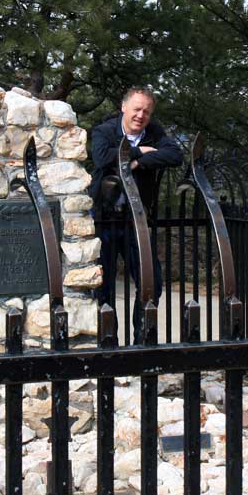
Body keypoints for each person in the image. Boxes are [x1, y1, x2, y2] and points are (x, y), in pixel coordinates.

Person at [89, 86, 182, 342]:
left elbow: (175, 155)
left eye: (146, 111)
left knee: (152, 283)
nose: (140, 115)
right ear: (124, 107)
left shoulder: (153, 132)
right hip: (104, 219)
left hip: (136, 221)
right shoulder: (105, 131)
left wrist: (138, 163)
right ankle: (109, 345)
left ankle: (141, 343)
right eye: (136, 109)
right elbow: (100, 157)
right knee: (103, 287)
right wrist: (141, 151)